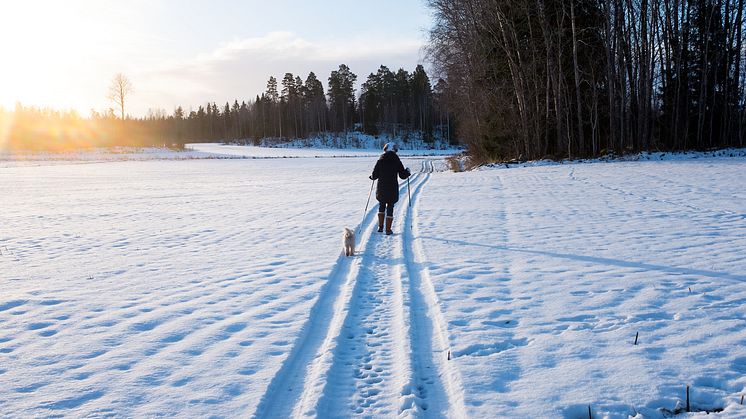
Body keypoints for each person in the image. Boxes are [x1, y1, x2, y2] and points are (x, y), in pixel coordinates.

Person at [369, 142, 411, 235]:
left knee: (382, 205)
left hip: (382, 188)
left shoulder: (380, 160)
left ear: (385, 149)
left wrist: (371, 177)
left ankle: (380, 228)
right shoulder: (397, 161)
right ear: (395, 150)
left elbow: (375, 175)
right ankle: (388, 230)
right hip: (392, 188)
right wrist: (407, 172)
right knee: (390, 206)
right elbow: (402, 175)